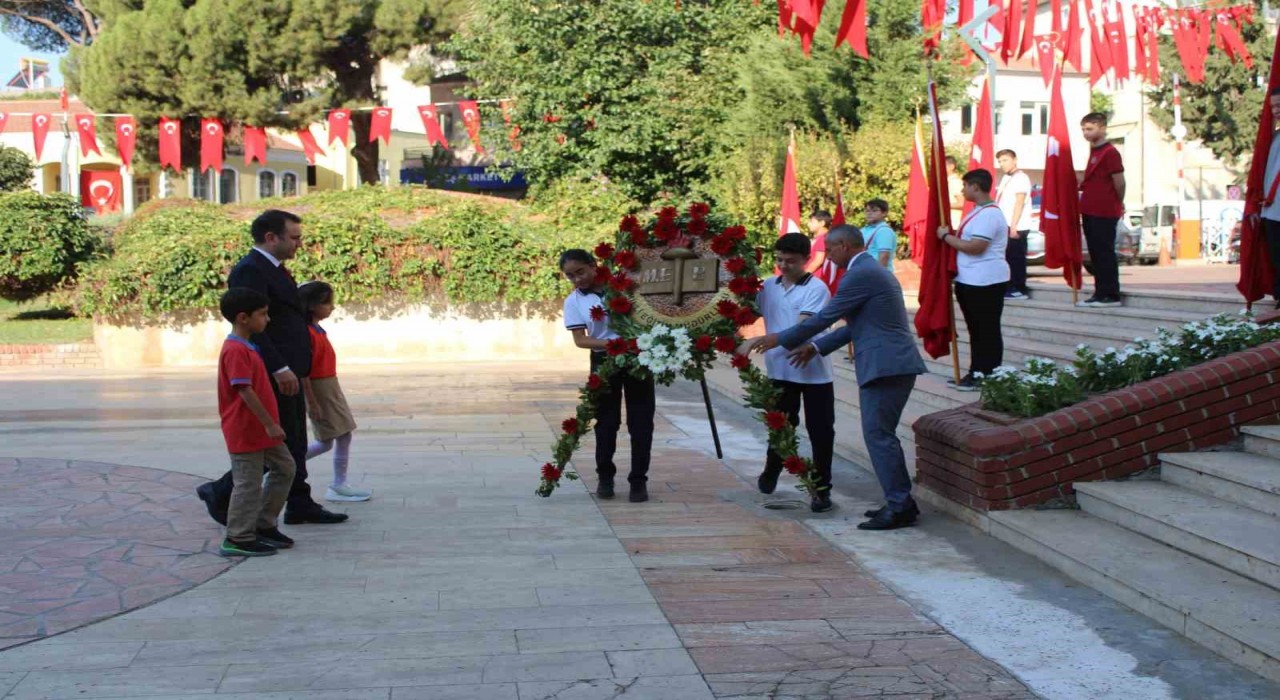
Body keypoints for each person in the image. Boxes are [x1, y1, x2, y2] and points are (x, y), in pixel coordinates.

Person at [744, 225, 927, 531]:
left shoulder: (860, 273)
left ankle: (900, 506)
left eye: (829, 249)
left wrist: (775, 340)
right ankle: (900, 502)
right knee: (880, 435)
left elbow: (824, 319)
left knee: (878, 436)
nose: (826, 256)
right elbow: (854, 326)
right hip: (887, 362)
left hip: (887, 364)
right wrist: (816, 347)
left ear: (843, 245)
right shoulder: (867, 271)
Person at [196, 210, 349, 526]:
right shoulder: (250, 271)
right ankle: (221, 492)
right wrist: (278, 366)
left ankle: (298, 502)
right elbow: (255, 324)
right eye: (293, 237)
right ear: (270, 237)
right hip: (274, 372)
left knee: (293, 441)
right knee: (278, 444)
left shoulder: (276, 269)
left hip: (291, 368)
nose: (299, 244)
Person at [559, 249, 654, 503]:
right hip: (604, 359)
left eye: (581, 271)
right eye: (571, 276)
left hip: (639, 358)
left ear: (593, 265)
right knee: (607, 422)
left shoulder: (624, 286)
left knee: (641, 421)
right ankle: (605, 477)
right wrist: (612, 345)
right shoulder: (574, 302)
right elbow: (580, 339)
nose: (578, 279)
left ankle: (638, 481)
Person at [755, 233, 836, 513]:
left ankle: (821, 489)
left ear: (806, 259)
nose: (783, 266)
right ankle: (772, 468)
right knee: (779, 426)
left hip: (814, 373)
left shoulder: (816, 289)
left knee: (821, 432)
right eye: (779, 260)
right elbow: (745, 312)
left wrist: (762, 340)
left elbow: (804, 328)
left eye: (790, 261)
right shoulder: (767, 286)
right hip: (779, 370)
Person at [216, 287, 296, 557]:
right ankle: (237, 536)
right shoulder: (235, 350)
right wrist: (270, 424)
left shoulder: (249, 346)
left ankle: (263, 524)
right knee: (247, 483)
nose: (267, 319)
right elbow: (244, 390)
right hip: (246, 428)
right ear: (243, 318)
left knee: (285, 468)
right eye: (262, 314)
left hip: (262, 428)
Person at [937, 168, 1009, 392]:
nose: (962, 190)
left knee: (985, 330)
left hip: (985, 280)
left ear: (975, 187)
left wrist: (946, 237)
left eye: (965, 186)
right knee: (976, 330)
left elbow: (976, 247)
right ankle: (977, 371)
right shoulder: (977, 211)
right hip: (971, 279)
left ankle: (987, 374)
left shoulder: (990, 214)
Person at [299, 281, 370, 503]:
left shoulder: (317, 330)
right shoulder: (306, 333)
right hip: (320, 389)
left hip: (329, 386)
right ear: (311, 305)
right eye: (326, 302)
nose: (332, 307)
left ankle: (339, 484)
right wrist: (312, 403)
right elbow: (304, 372)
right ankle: (283, 466)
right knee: (329, 439)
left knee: (339, 435)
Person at [1078, 112, 1125, 308]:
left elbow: (1119, 182)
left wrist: (1116, 203)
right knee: (1095, 254)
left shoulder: (1110, 152)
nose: (1086, 133)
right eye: (1083, 129)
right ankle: (1099, 292)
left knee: (1104, 252)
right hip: (1090, 209)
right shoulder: (1094, 152)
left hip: (1104, 211)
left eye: (1090, 129)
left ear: (1102, 128)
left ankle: (1111, 294)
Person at [1252, 86, 1280, 308]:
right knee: (1276, 258)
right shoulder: (1274, 139)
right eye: (1273, 107)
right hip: (1272, 209)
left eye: (1279, 105)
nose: (1276, 111)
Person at [995, 149, 1033, 300]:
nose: (1002, 164)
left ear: (1014, 160)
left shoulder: (1021, 178)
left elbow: (1019, 202)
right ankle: (1009, 286)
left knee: (1016, 258)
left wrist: (1014, 225)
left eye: (1005, 160)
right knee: (1007, 257)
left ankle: (1019, 288)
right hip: (1005, 224)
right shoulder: (1006, 178)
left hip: (1017, 225)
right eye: (1000, 161)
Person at [862, 199, 897, 273]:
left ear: (884, 213)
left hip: (876, 275)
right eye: (867, 211)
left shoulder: (884, 231)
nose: (869, 213)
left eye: (874, 211)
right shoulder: (864, 229)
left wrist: (878, 277)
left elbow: (884, 257)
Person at [807, 210, 834, 280]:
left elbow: (818, 261)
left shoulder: (823, 238)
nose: (809, 224)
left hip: (815, 278)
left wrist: (802, 276)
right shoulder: (820, 238)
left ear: (822, 223)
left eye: (812, 222)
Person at [946, 156, 965, 228]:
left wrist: (943, 206)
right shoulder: (947, 182)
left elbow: (961, 203)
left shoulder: (955, 182)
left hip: (955, 223)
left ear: (951, 166)